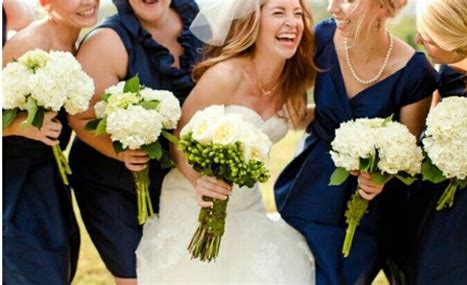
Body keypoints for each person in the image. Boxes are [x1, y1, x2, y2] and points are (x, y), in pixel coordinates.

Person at [136, 0, 316, 283]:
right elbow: (179, 141)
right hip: (194, 198)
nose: (292, 22)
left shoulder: (291, 82)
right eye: (279, 12)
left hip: (248, 203)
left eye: (298, 14)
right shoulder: (225, 75)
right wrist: (202, 184)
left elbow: (299, 118)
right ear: (254, 22)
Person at [273, 0, 439, 284]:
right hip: (307, 192)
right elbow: (298, 113)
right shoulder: (321, 38)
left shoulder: (415, 73)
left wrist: (382, 178)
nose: (333, 7)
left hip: (367, 213)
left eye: (347, 0)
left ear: (384, 6)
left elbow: (407, 157)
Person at [68, 0, 202, 284]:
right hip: (113, 184)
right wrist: (122, 155)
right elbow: (80, 116)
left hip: (174, 181)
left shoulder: (200, 26)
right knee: (136, 278)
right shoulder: (107, 42)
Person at [2, 0, 99, 283]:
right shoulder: (28, 44)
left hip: (49, 176)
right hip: (13, 184)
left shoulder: (83, 42)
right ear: (45, 2)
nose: (88, 1)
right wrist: (20, 125)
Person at [404, 0, 467, 283]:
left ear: (451, 36)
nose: (418, 40)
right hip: (438, 198)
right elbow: (423, 140)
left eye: (427, 36)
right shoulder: (446, 76)